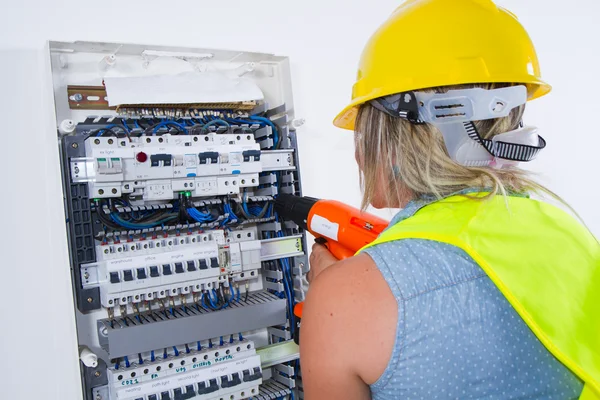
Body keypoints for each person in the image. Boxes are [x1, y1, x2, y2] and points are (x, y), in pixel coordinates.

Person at [299, 1, 600, 399]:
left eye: (364, 128)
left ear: (392, 136)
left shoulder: (340, 301)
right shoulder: (570, 235)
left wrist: (330, 299)